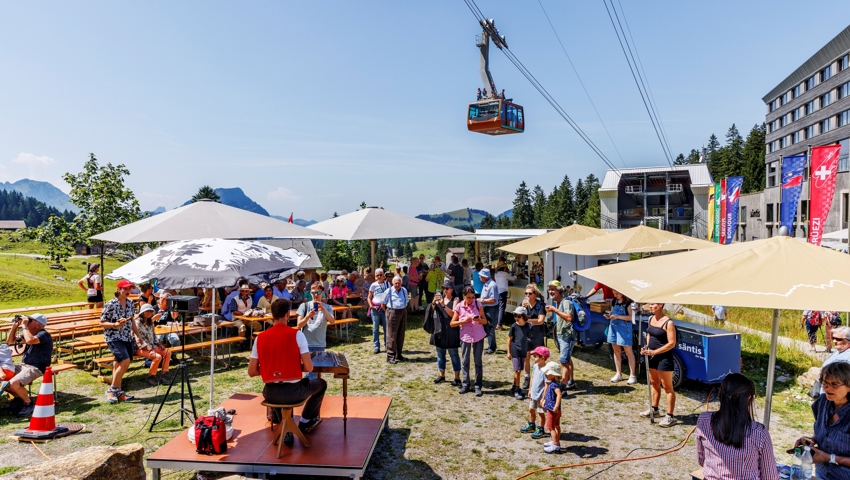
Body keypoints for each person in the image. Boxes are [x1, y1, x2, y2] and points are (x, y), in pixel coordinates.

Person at [249, 298, 325, 437]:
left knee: (278, 390)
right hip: (293, 393)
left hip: (271, 393)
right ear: (287, 314)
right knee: (321, 383)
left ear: (272, 315)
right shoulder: (297, 334)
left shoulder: (260, 338)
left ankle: (283, 423)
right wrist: (290, 366)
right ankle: (305, 420)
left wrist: (272, 369)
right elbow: (309, 368)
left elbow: (252, 371)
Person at [696, 373, 778, 480]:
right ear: (748, 398)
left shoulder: (703, 420)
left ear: (720, 394)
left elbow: (701, 460)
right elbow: (770, 476)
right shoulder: (759, 433)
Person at [795, 361, 850, 479]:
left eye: (834, 384)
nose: (827, 388)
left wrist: (830, 458)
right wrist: (811, 440)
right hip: (823, 473)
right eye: (824, 383)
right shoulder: (823, 401)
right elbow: (826, 432)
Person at [101, 280, 142, 404]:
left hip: (126, 337)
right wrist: (115, 324)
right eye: (125, 289)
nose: (128, 291)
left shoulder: (130, 303)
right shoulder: (111, 304)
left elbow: (132, 321)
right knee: (125, 361)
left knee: (118, 364)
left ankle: (118, 391)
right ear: (119, 289)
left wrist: (138, 335)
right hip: (113, 337)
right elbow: (102, 322)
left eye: (130, 289)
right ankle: (112, 389)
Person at [5, 313, 53, 417]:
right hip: (24, 365)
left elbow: (30, 341)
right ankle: (18, 399)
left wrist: (24, 326)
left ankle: (28, 404)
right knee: (3, 377)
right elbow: (10, 341)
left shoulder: (43, 334)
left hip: (36, 367)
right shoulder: (29, 333)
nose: (27, 321)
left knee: (13, 383)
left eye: (31, 320)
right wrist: (15, 325)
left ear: (38, 325)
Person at [640, 302, 678, 427]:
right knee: (654, 383)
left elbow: (672, 343)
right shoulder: (651, 318)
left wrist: (655, 351)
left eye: (653, 304)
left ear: (661, 305)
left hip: (664, 358)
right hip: (651, 356)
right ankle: (654, 409)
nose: (650, 307)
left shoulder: (668, 323)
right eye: (650, 305)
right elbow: (649, 334)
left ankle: (670, 416)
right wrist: (646, 348)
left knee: (667, 387)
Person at [450, 286, 487, 397]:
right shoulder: (459, 306)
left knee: (478, 361)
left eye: (473, 297)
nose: (471, 299)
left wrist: (478, 320)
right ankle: (465, 384)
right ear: (463, 296)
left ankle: (477, 385)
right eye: (468, 297)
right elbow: (452, 323)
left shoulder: (478, 304)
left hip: (478, 335)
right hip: (465, 336)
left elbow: (485, 321)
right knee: (465, 361)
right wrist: (463, 320)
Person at [424, 279, 461, 386]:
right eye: (444, 288)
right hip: (439, 330)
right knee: (440, 354)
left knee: (453, 354)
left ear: (452, 289)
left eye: (447, 288)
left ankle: (457, 377)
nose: (445, 290)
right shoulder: (440, 299)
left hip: (451, 331)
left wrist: (443, 305)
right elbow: (431, 311)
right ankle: (441, 375)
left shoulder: (455, 299)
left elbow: (453, 314)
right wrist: (433, 303)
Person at [296, 284, 335, 380]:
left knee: (317, 372)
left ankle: (315, 393)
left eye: (318, 292)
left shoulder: (327, 307)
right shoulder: (304, 306)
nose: (315, 295)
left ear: (322, 293)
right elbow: (299, 325)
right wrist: (308, 316)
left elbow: (332, 321)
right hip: (306, 344)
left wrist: (324, 309)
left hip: (320, 344)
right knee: (309, 374)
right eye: (313, 293)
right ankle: (310, 393)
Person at [545, 280, 576, 389]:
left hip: (567, 335)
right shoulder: (557, 302)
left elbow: (569, 317)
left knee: (564, 362)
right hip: (561, 335)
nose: (550, 291)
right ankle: (570, 381)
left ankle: (563, 387)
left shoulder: (566, 302)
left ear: (559, 291)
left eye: (553, 289)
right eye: (549, 289)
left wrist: (554, 310)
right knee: (567, 359)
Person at [134, 304, 172, 386]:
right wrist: (149, 349)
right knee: (157, 357)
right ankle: (150, 377)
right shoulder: (137, 323)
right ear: (142, 312)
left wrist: (158, 343)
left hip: (151, 345)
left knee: (168, 352)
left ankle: (163, 375)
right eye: (147, 311)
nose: (149, 312)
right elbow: (138, 340)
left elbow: (154, 335)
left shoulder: (150, 322)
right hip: (140, 347)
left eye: (151, 311)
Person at [606, 289, 637, 384]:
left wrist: (618, 316)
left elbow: (631, 317)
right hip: (614, 328)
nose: (615, 295)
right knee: (616, 350)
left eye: (617, 293)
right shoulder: (614, 301)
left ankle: (632, 375)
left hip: (624, 329)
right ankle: (618, 373)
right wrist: (609, 316)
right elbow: (612, 313)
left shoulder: (628, 303)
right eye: (614, 293)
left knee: (628, 351)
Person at [521, 346, 550, 439]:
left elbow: (547, 385)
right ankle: (532, 425)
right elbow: (532, 378)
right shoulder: (535, 366)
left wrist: (544, 397)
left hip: (540, 396)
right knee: (531, 409)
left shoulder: (546, 370)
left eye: (536, 356)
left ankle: (541, 429)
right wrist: (530, 389)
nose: (534, 358)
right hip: (533, 394)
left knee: (541, 413)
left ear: (542, 358)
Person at [521, 285, 546, 391]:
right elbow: (518, 319)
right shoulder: (524, 305)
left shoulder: (540, 305)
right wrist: (522, 309)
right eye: (526, 293)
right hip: (526, 334)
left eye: (530, 293)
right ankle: (527, 378)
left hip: (537, 334)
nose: (527, 295)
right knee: (526, 357)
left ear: (535, 294)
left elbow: (541, 321)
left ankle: (538, 377)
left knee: (539, 357)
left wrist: (528, 320)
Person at [383, 276, 409, 364]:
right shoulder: (388, 291)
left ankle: (399, 354)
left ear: (401, 283)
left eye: (399, 283)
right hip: (392, 311)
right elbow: (383, 304)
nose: (397, 285)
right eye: (395, 283)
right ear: (392, 283)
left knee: (401, 334)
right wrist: (389, 312)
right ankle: (390, 356)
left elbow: (407, 301)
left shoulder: (404, 290)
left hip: (403, 311)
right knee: (391, 335)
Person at [508, 307, 531, 400]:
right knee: (518, 370)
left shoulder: (527, 326)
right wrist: (509, 352)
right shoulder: (514, 326)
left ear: (524, 317)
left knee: (519, 370)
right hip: (515, 350)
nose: (516, 318)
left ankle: (514, 385)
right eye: (515, 316)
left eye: (518, 316)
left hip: (523, 351)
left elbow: (528, 338)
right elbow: (509, 340)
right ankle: (517, 389)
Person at [541, 362, 563, 453]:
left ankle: (555, 444)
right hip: (556, 410)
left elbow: (559, 395)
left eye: (547, 372)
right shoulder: (554, 383)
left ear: (553, 375)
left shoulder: (554, 385)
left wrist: (556, 406)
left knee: (551, 427)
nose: (545, 374)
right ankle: (556, 441)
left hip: (552, 410)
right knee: (557, 425)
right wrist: (545, 399)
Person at [368, 269, 391, 355]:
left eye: (380, 275)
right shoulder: (373, 285)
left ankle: (387, 345)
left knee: (386, 328)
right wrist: (370, 306)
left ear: (383, 275)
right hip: (375, 308)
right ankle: (376, 346)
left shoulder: (387, 284)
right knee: (375, 328)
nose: (379, 277)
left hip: (384, 308)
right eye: (377, 275)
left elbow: (390, 296)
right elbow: (369, 297)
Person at [478, 268, 499, 354]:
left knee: (490, 327)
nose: (479, 277)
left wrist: (482, 301)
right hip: (486, 308)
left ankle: (492, 347)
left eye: (481, 275)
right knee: (487, 327)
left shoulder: (492, 285)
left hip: (492, 309)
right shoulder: (486, 284)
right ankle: (491, 345)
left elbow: (494, 300)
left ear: (484, 276)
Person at [495, 265, 516, 330]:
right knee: (502, 308)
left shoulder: (496, 274)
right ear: (504, 268)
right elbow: (513, 278)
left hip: (497, 291)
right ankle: (499, 325)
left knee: (498, 307)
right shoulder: (505, 274)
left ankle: (497, 323)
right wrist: (517, 275)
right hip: (503, 292)